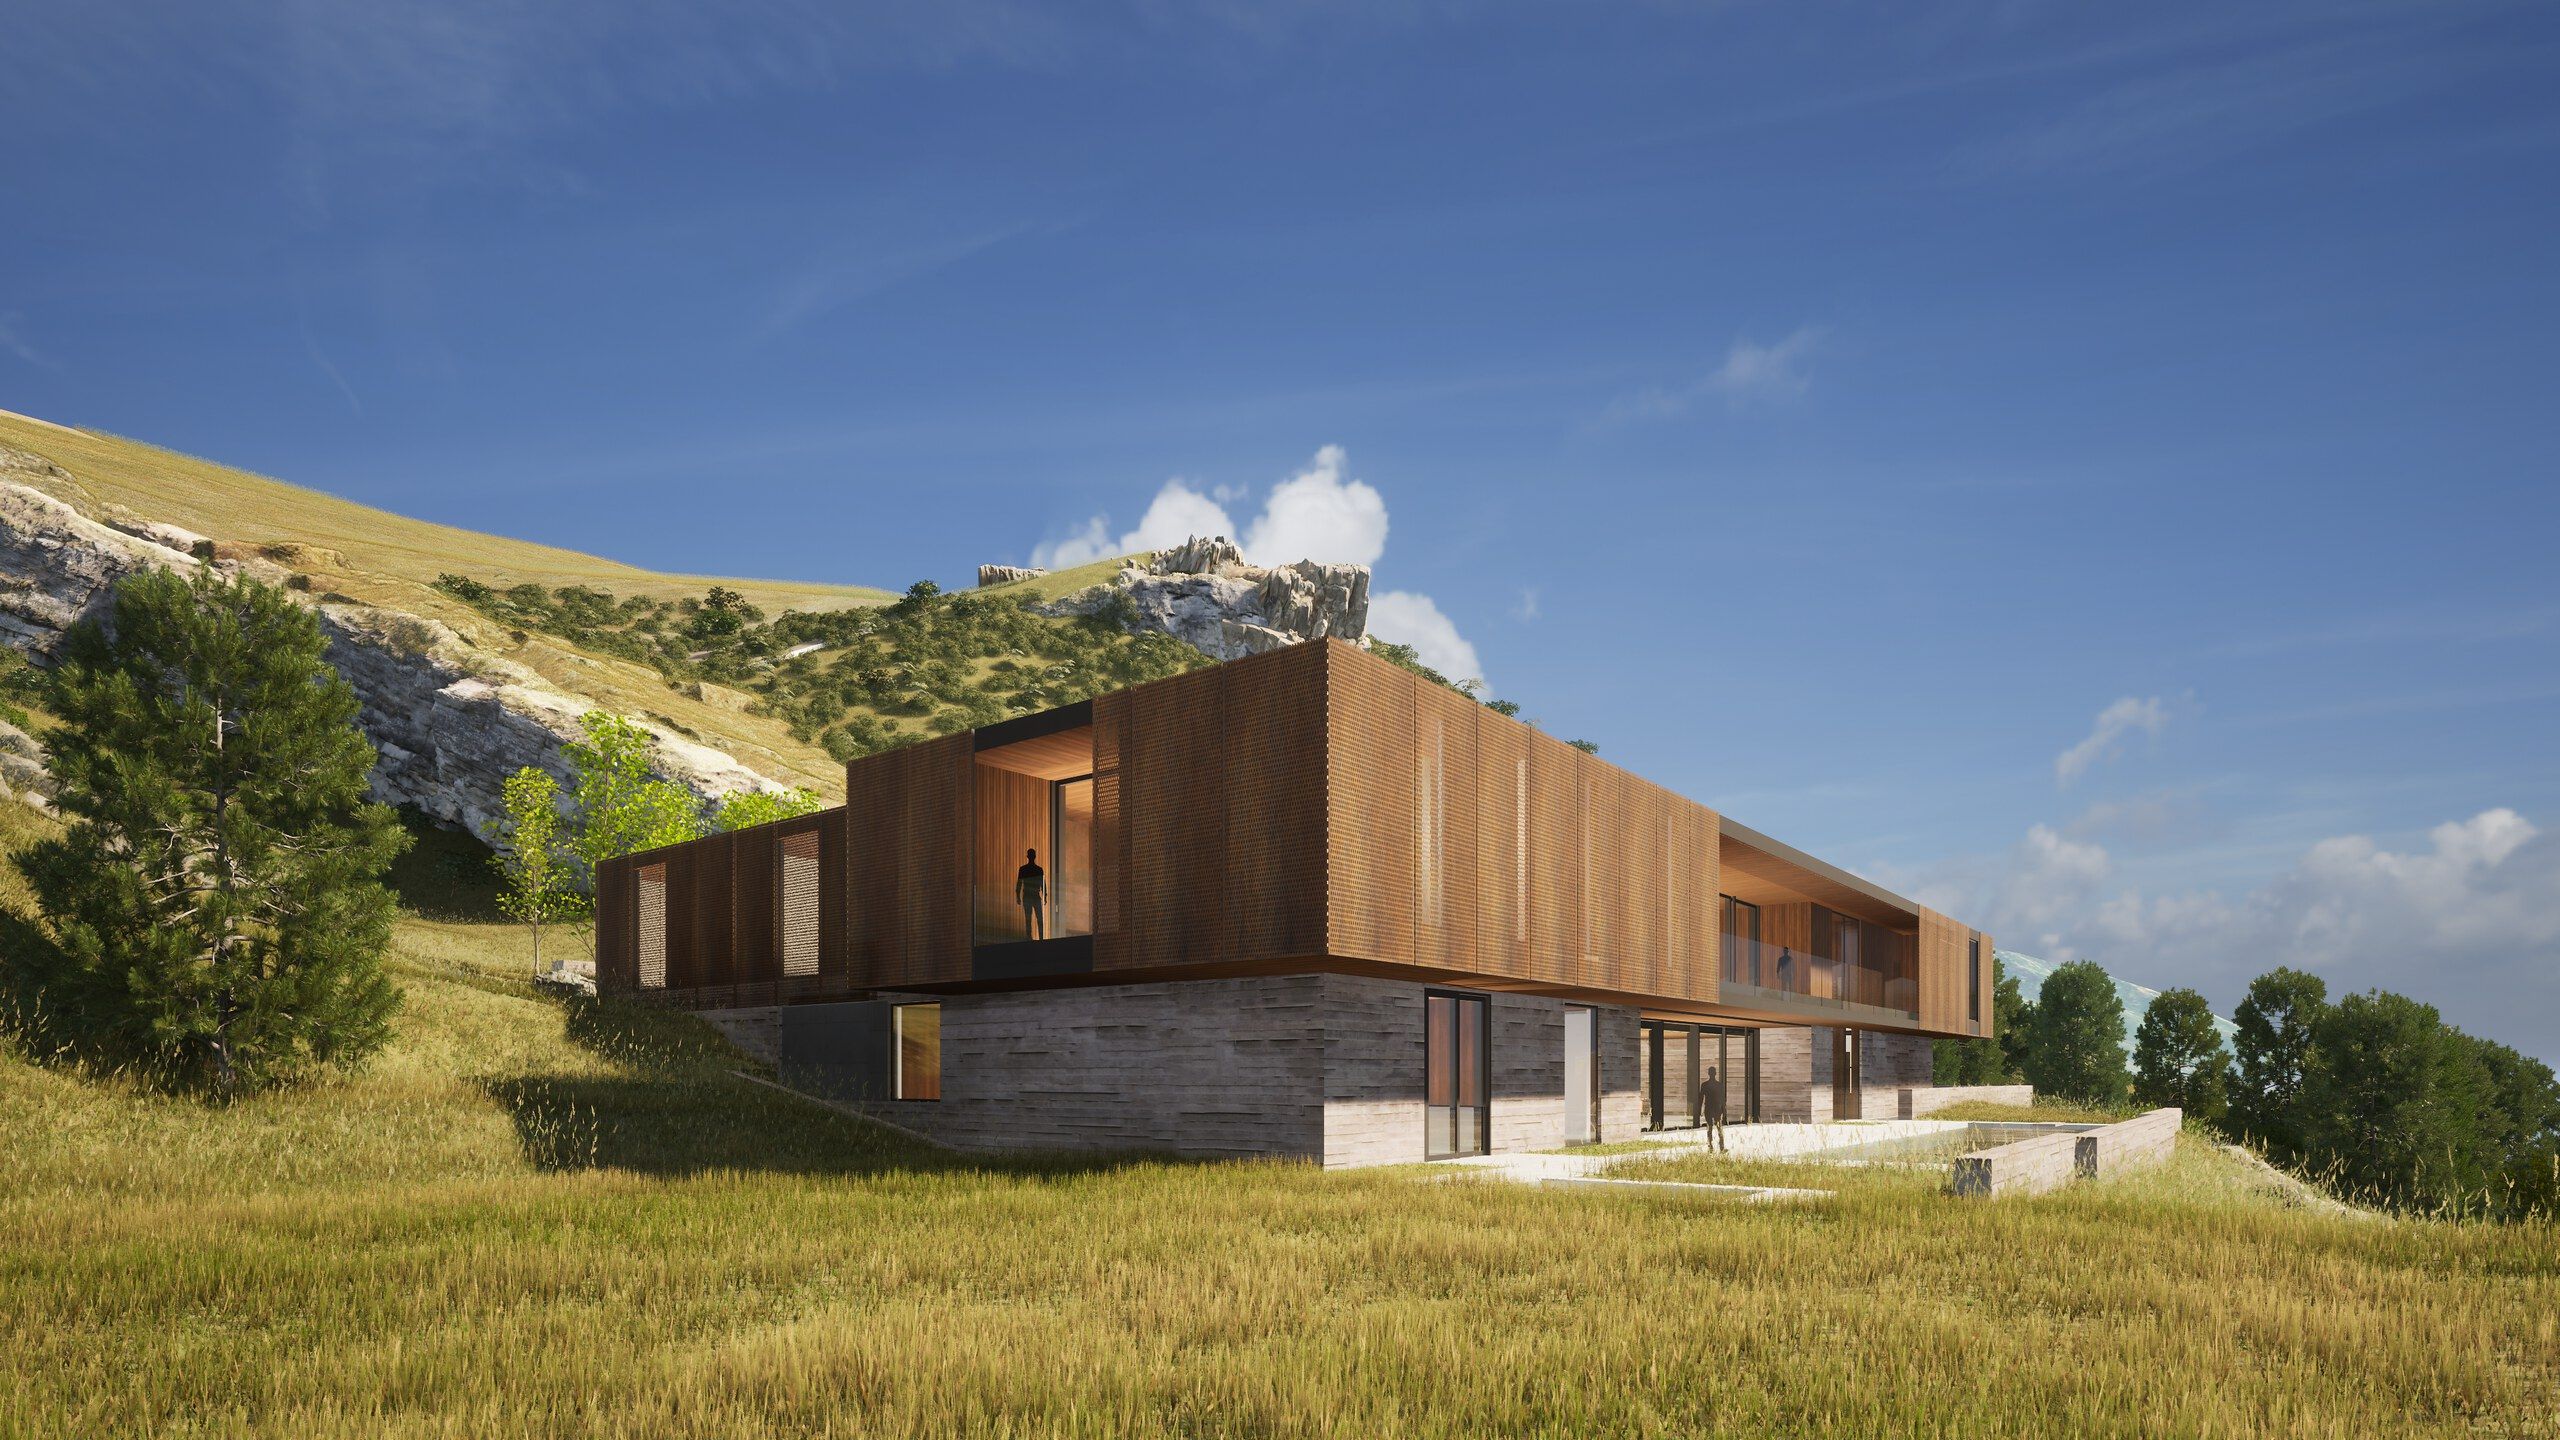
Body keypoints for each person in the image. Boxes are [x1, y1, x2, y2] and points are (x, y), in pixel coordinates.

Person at [1016, 847, 1047, 940]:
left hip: (1028, 896)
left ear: (1027, 856)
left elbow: (1019, 883)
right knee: (1039, 918)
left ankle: (1030, 938)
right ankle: (1040, 938)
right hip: (1035, 896)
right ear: (1035, 856)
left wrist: (1018, 896)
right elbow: (1043, 884)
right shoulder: (1039, 869)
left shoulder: (1023, 869)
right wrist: (1045, 895)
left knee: (1028, 918)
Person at [1701, 1065, 1729, 1153]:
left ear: (1709, 1074)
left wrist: (1698, 1110)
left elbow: (1701, 1098)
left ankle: (1710, 1147)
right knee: (1719, 1127)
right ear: (1715, 1073)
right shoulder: (1719, 1085)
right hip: (1717, 1108)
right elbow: (1723, 1100)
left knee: (1709, 1128)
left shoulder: (1704, 1085)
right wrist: (1724, 1112)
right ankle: (1721, 1147)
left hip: (1709, 1108)